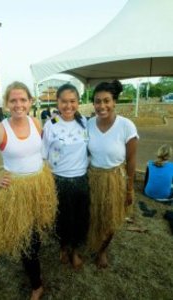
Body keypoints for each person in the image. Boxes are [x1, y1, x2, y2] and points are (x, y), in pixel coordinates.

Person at [0, 81, 57, 300]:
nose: (18, 104)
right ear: (6, 103)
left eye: (23, 99)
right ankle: (36, 285)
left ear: (30, 102)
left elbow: (40, 149)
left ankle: (34, 265)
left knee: (38, 230)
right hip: (16, 192)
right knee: (27, 240)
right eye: (13, 100)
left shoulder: (35, 122)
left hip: (40, 186)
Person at [87, 79, 139, 268]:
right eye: (97, 101)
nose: (102, 106)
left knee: (110, 218)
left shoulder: (126, 126)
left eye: (106, 100)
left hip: (115, 179)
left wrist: (130, 189)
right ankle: (92, 240)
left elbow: (132, 161)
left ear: (114, 101)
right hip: (92, 177)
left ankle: (102, 250)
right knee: (94, 214)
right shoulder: (89, 124)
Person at [42, 83, 90, 270]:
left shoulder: (84, 123)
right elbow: (44, 153)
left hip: (81, 180)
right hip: (59, 180)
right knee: (62, 218)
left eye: (72, 101)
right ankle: (63, 246)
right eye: (64, 101)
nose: (68, 106)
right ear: (57, 102)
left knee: (80, 217)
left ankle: (75, 250)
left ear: (78, 102)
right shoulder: (51, 124)